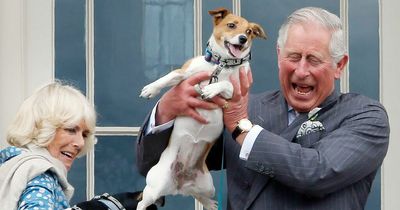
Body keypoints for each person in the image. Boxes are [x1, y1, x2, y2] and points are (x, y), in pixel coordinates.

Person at [136, 7, 390, 210]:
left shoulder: (366, 116)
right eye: (293, 57)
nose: (301, 71)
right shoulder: (250, 105)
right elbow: (152, 163)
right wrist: (168, 110)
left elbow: (317, 172)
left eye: (313, 59)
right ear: (279, 56)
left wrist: (240, 124)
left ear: (339, 65)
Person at [0, 81, 158, 210]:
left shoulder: (10, 165)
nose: (81, 143)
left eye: (84, 134)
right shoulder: (41, 174)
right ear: (41, 127)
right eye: (70, 130)